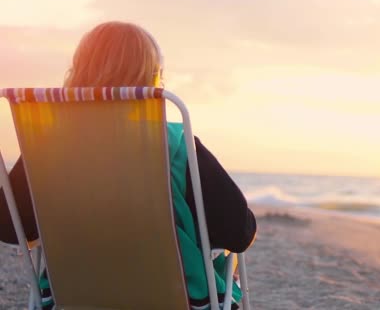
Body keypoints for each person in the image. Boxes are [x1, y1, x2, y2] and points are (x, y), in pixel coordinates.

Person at [0, 21, 257, 309]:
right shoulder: (175, 144)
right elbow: (240, 233)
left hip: (71, 297)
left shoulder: (46, 145)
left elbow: (10, 229)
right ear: (151, 78)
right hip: (177, 299)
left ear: (78, 72)